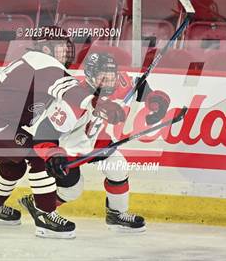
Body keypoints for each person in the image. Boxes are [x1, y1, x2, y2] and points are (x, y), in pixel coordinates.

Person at [0, 27, 122, 238]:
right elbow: (68, 89)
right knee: (39, 156)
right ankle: (45, 216)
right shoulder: (43, 62)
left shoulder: (34, 61)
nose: (66, 53)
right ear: (46, 48)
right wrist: (98, 103)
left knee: (14, 163)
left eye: (67, 49)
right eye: (61, 48)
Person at [19, 51, 170, 233]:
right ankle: (36, 203)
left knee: (118, 165)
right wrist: (53, 155)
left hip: (94, 140)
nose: (109, 80)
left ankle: (117, 215)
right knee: (72, 191)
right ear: (90, 77)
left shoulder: (119, 82)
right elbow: (44, 134)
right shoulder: (74, 100)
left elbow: (141, 87)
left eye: (111, 75)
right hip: (68, 149)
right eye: (103, 76)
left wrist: (157, 104)